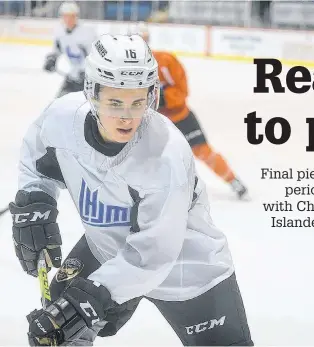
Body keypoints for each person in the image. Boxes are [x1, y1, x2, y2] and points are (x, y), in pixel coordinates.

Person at [9, 34, 253, 346]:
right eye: (115, 102)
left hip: (187, 272)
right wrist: (35, 198)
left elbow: (153, 253)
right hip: (107, 249)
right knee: (59, 325)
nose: (127, 116)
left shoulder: (165, 154)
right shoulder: (61, 118)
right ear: (92, 93)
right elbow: (36, 153)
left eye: (138, 102)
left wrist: (97, 294)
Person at [128, 22, 249, 200]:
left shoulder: (165, 61)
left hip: (179, 117)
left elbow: (182, 91)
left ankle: (232, 180)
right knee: (144, 156)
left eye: (143, 40)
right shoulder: (127, 70)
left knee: (202, 151)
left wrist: (161, 97)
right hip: (152, 122)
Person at [43, 1, 97, 98]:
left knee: (89, 108)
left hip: (89, 80)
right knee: (58, 104)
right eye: (65, 16)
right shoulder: (60, 33)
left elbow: (95, 56)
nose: (68, 19)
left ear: (76, 16)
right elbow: (57, 50)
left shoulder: (87, 33)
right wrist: (51, 59)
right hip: (72, 77)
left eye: (71, 16)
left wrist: (87, 71)